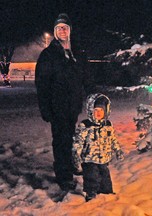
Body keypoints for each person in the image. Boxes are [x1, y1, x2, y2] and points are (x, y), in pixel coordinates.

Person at [35, 13, 96, 191]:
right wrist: (45, 108)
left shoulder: (77, 53)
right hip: (56, 107)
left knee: (70, 138)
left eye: (65, 27)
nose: (62, 30)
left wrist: (94, 94)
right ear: (55, 32)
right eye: (59, 28)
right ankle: (63, 175)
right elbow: (42, 84)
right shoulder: (48, 55)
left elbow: (86, 77)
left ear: (70, 30)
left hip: (72, 106)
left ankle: (68, 166)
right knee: (61, 140)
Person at [72, 93, 124, 202]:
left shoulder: (108, 125)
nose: (98, 113)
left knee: (105, 174)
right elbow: (78, 141)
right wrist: (76, 153)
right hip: (89, 158)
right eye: (96, 110)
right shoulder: (85, 125)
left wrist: (118, 150)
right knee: (91, 176)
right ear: (91, 111)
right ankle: (91, 192)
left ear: (106, 111)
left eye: (101, 110)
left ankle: (106, 191)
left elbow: (112, 139)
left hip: (104, 157)